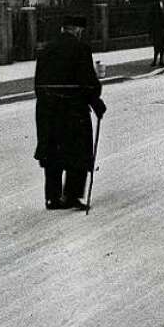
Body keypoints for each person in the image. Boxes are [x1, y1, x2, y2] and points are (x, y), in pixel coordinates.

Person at [33, 14, 107, 211]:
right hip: (72, 109)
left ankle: (52, 198)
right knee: (78, 150)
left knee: (52, 151)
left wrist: (45, 102)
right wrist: (96, 101)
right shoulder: (81, 49)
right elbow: (87, 81)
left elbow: (38, 82)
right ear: (77, 30)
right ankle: (72, 195)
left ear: (62, 29)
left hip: (48, 108)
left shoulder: (46, 49)